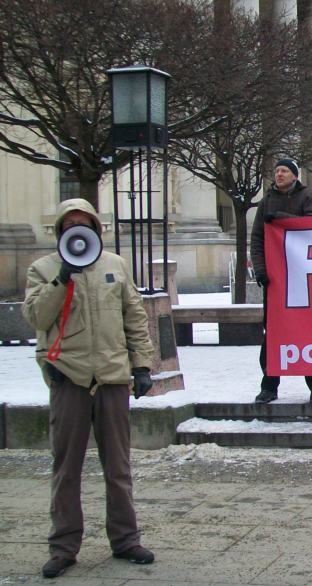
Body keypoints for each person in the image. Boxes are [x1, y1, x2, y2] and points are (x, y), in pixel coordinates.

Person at [22, 199, 156, 579]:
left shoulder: (115, 265)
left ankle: (125, 540)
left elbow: (134, 315)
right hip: (69, 377)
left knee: (118, 467)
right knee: (66, 468)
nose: (76, 230)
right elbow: (36, 317)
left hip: (111, 377)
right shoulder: (43, 269)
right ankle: (63, 547)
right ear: (60, 232)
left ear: (96, 229)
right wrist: (62, 278)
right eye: (69, 225)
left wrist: (141, 365)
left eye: (83, 224)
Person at [250, 159, 312, 403]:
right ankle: (269, 385)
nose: (279, 174)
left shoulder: (307, 196)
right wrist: (260, 270)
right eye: (276, 171)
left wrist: (280, 219)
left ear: (295, 176)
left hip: (303, 278)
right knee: (272, 333)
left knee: (308, 331)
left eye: (284, 170)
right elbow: (257, 240)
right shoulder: (265, 201)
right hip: (275, 281)